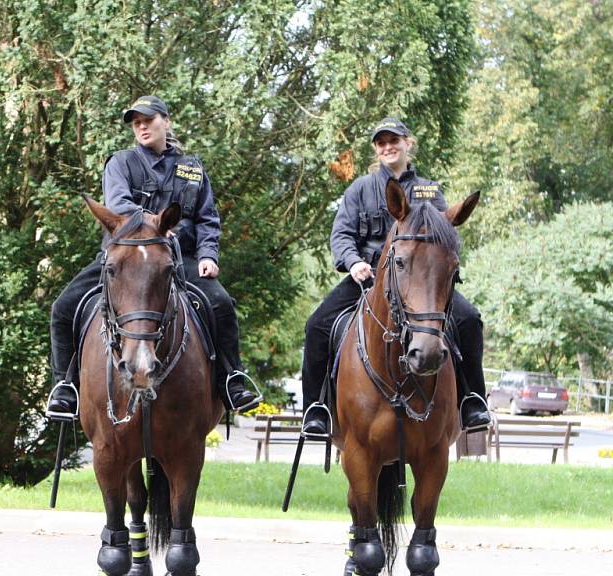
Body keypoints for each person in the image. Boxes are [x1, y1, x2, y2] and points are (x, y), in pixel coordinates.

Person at [47, 95, 259, 417]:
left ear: (166, 121)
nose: (142, 126)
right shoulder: (120, 163)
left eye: (148, 120)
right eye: (137, 123)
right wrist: (156, 226)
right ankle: (65, 386)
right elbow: (118, 205)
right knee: (64, 307)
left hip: (175, 258)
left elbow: (207, 218)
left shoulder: (192, 169)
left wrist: (208, 255)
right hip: (124, 257)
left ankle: (232, 378)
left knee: (221, 304)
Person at [301, 117, 491, 435]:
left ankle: (472, 400)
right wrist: (352, 262)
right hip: (368, 279)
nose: (388, 147)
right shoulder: (359, 189)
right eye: (381, 143)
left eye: (394, 141)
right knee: (317, 325)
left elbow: (443, 234)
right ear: (376, 149)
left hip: (420, 283)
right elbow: (342, 235)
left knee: (469, 319)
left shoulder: (429, 190)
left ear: (408, 144)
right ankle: (316, 409)